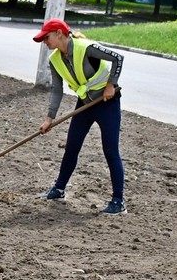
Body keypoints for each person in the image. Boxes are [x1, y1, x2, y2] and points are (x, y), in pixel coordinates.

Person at [33, 18, 127, 215]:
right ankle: (59, 189)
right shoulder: (55, 60)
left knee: (110, 151)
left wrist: (110, 85)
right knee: (72, 147)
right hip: (85, 104)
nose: (45, 42)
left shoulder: (86, 48)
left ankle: (118, 202)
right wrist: (49, 119)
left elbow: (118, 58)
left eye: (46, 37)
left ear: (59, 33)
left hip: (106, 103)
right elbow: (57, 91)